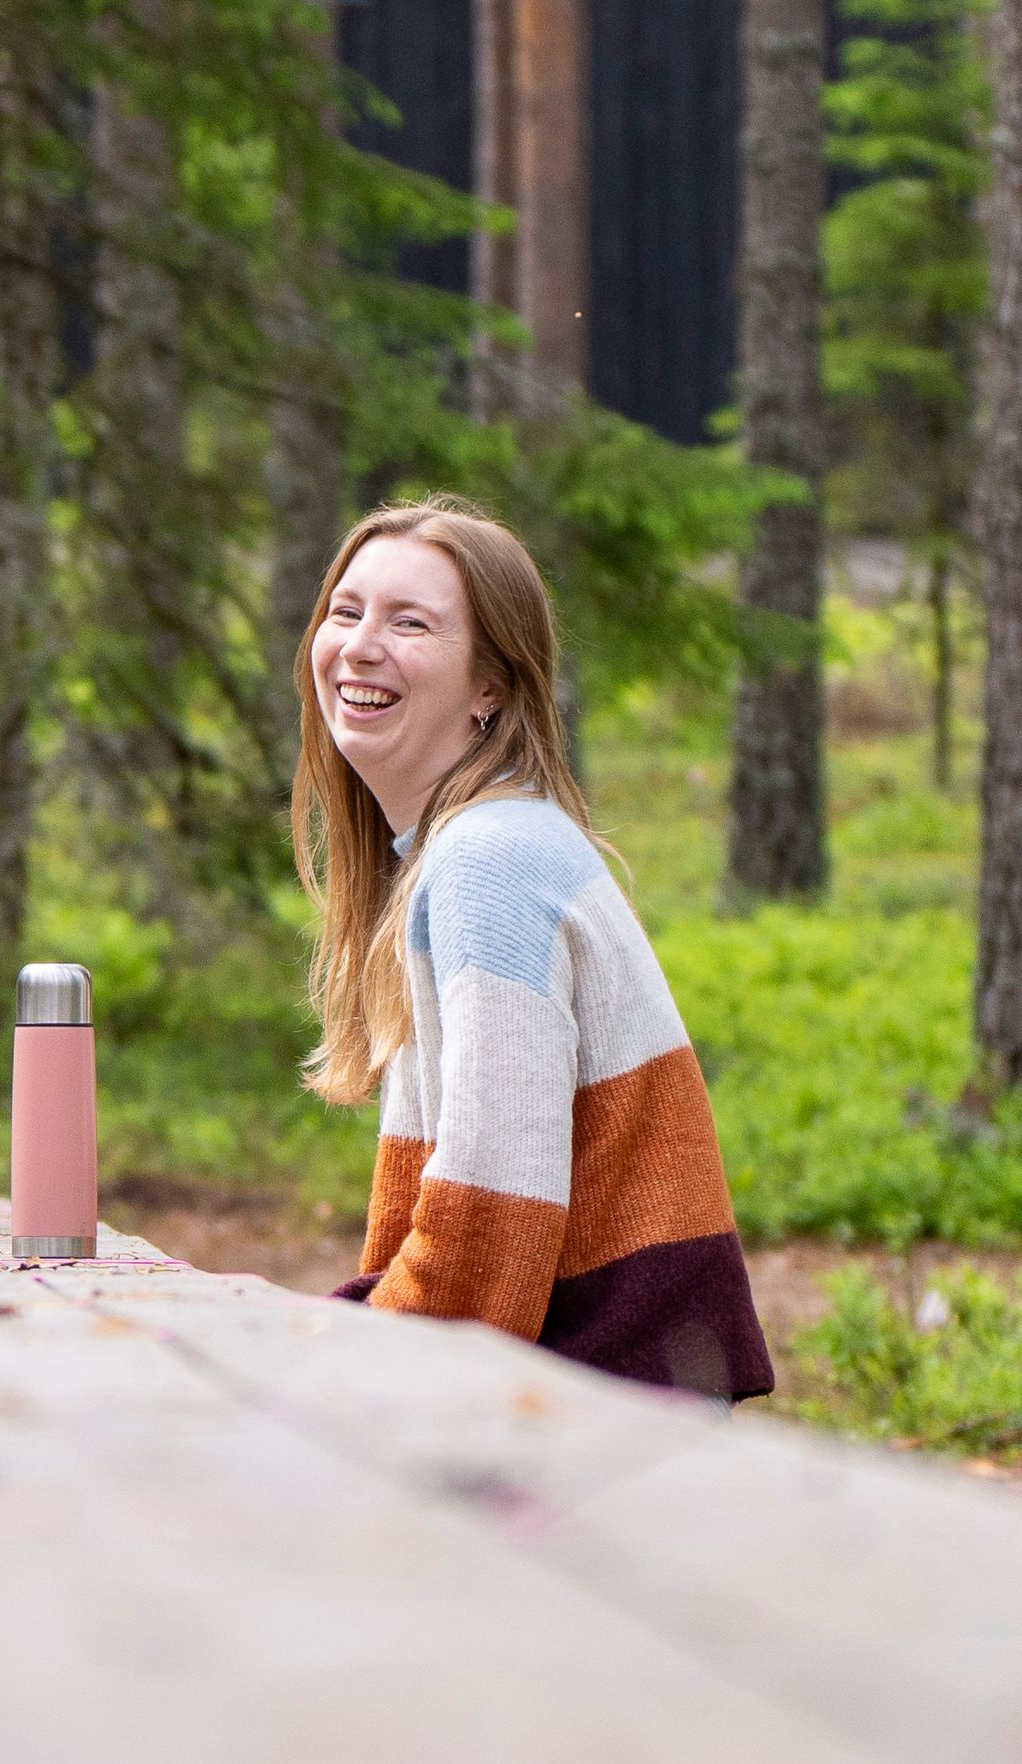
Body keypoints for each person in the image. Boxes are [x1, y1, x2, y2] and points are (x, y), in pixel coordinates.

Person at [298, 496, 775, 1403]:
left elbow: (487, 1235)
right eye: (346, 611)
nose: (360, 644)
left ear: (492, 687)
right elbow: (429, 1216)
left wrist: (339, 1370)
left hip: (611, 1403)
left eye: (411, 624)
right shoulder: (459, 852)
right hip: (592, 1391)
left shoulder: (491, 862)